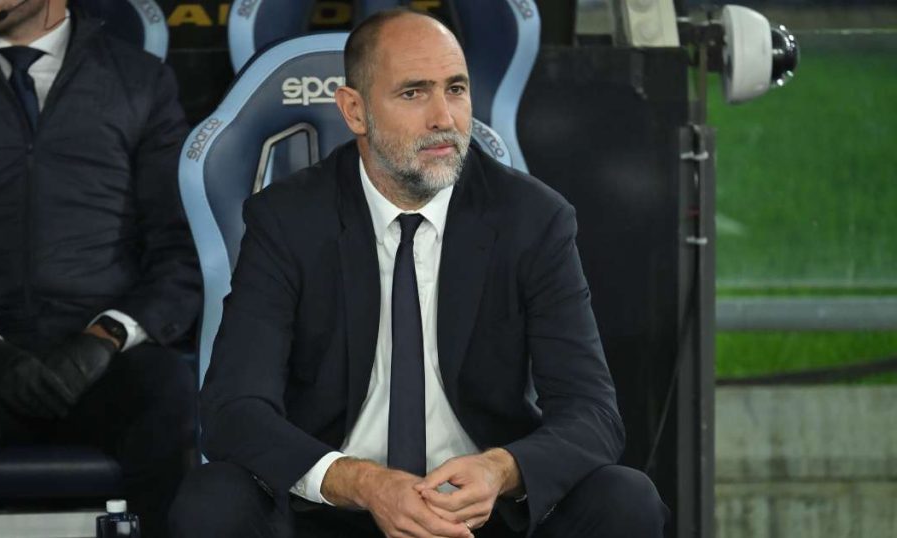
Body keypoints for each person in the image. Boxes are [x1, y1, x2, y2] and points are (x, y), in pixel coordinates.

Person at [170, 8, 668, 538]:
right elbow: (233, 409)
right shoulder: (288, 220)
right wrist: (362, 482)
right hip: (334, 509)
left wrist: (500, 470)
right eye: (413, 93)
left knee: (625, 498)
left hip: (480, 513)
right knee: (212, 501)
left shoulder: (533, 219)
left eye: (456, 89)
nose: (443, 118)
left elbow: (592, 413)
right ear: (355, 111)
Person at [0, 1, 201, 536]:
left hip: (105, 351)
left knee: (177, 419)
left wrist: (106, 338)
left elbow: (179, 250)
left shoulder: (140, 81)